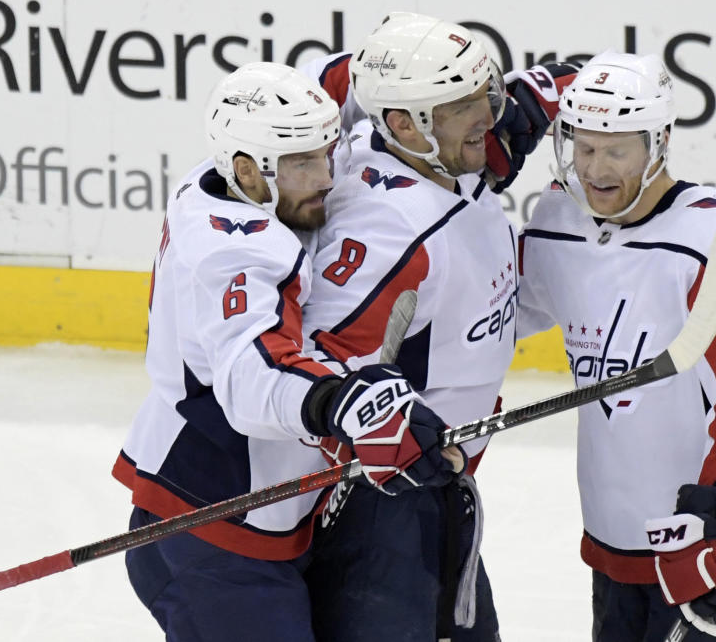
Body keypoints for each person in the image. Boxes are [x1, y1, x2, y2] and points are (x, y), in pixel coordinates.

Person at [113, 61, 463, 641]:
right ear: (250, 171)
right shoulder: (237, 256)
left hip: (242, 510)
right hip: (213, 527)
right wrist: (345, 404)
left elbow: (326, 91)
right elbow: (253, 373)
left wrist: (394, 67)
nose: (327, 175)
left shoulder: (224, 170)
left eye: (325, 152)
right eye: (304, 163)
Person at [516, 51, 716, 641]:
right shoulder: (559, 223)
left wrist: (710, 513)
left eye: (617, 150)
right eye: (584, 147)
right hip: (621, 544)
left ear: (659, 141)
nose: (597, 169)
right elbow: (496, 317)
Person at [298, 12, 576, 642]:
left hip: (437, 495)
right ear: (405, 126)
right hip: (383, 516)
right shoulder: (388, 234)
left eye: (487, 94)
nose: (490, 117)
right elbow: (319, 367)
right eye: (463, 106)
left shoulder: (438, 161)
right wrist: (382, 429)